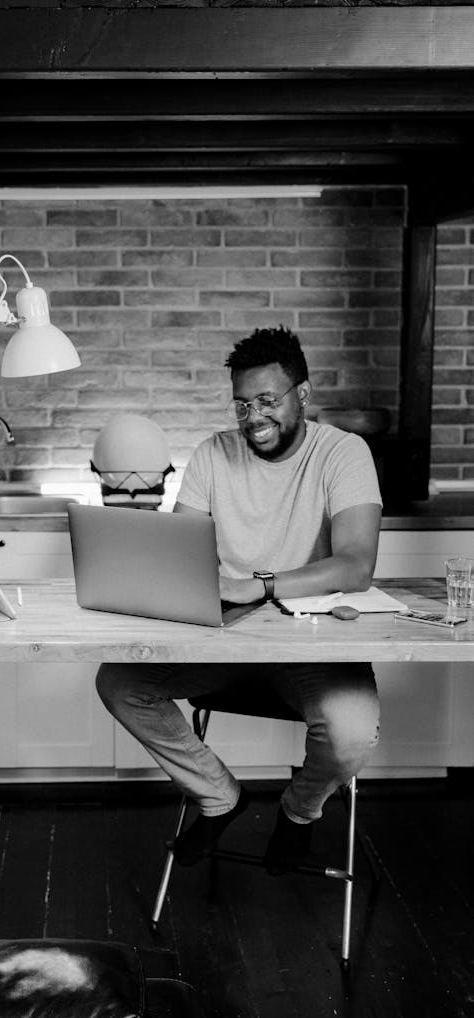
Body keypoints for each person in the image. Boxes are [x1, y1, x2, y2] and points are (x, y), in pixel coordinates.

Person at [96, 326, 382, 873]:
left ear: (302, 394)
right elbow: (182, 555)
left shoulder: (344, 454)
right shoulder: (212, 454)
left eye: (267, 401)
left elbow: (356, 566)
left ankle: (299, 811)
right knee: (120, 682)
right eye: (242, 405)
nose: (254, 417)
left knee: (350, 735)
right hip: (224, 641)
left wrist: (261, 583)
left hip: (311, 649)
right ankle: (219, 795)